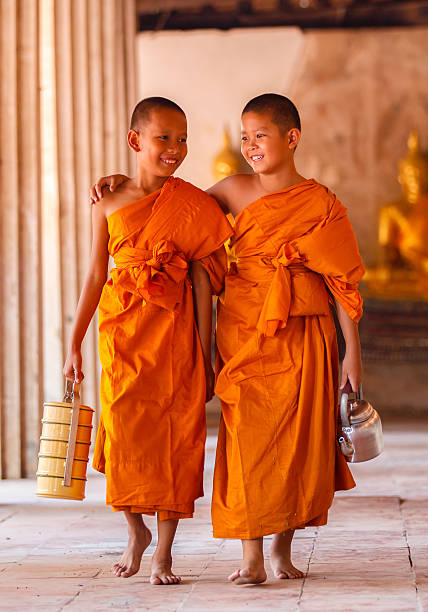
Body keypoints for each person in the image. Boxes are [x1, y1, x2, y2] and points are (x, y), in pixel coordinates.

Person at [90, 93, 365, 586]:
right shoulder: (232, 191)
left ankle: (280, 549)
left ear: (291, 138)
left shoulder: (322, 204)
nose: (251, 146)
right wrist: (120, 181)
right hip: (243, 329)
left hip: (304, 328)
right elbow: (167, 204)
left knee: (299, 441)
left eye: (260, 135)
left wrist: (353, 357)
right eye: (245, 137)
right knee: (245, 439)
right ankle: (251, 553)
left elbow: (342, 283)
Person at [64, 96, 232, 585]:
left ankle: (164, 552)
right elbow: (96, 275)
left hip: (175, 335)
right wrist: (74, 343)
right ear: (136, 141)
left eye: (182, 139)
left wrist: (206, 351)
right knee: (124, 436)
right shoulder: (108, 202)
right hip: (122, 337)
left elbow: (204, 285)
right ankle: (135, 530)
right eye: (164, 138)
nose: (175, 149)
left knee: (177, 440)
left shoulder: (193, 205)